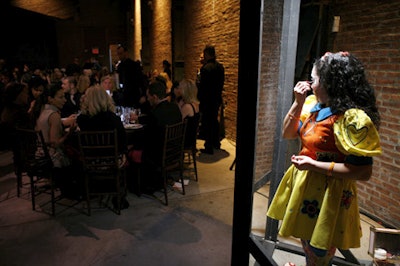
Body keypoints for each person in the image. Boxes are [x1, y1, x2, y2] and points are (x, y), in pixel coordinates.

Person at [266, 51, 382, 266]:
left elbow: (362, 172)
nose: (309, 84)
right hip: (306, 188)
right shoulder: (312, 105)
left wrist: (314, 164)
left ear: (329, 83)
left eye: (314, 79)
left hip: (330, 195)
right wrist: (298, 102)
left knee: (320, 251)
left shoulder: (351, 118)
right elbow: (288, 133)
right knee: (308, 243)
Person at [77, 84, 129, 209]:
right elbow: (123, 143)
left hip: (91, 162)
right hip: (113, 161)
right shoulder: (114, 119)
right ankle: (120, 193)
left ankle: (89, 190)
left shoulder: (82, 120)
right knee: (125, 153)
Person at [34, 83, 80, 199]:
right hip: (50, 156)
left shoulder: (43, 110)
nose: (64, 100)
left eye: (64, 96)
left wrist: (63, 122)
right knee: (78, 155)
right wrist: (69, 133)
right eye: (60, 97)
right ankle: (74, 191)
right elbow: (55, 143)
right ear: (50, 99)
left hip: (39, 152)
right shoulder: (53, 115)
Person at [137, 79, 182, 193]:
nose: (147, 99)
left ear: (155, 97)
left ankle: (141, 184)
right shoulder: (175, 108)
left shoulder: (155, 114)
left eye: (148, 97)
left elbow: (147, 139)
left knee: (135, 149)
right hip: (175, 152)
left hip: (159, 156)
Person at [197, 45, 225, 154]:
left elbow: (202, 87)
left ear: (207, 54)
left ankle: (208, 146)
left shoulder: (205, 68)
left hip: (207, 100)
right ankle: (216, 143)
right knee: (214, 121)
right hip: (217, 98)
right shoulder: (220, 67)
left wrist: (200, 99)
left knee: (207, 122)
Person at [175, 78, 200, 149]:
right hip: (191, 138)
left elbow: (177, 120)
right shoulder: (195, 104)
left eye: (180, 88)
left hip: (185, 140)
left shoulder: (187, 107)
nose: (178, 90)